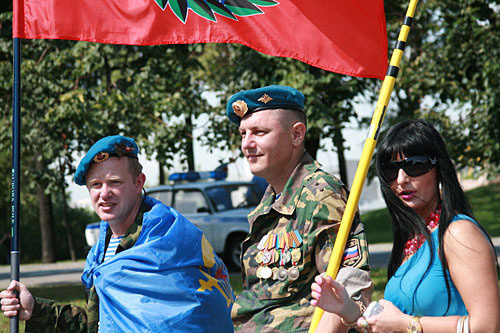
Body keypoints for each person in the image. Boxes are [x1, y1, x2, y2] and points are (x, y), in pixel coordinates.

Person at [0, 135, 234, 332]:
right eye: (95, 185)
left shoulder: (168, 240)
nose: (104, 193)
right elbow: (101, 324)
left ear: (138, 183)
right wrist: (35, 310)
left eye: (115, 182)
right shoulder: (100, 251)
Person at [310, 119, 500, 332]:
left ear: (439, 166)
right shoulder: (411, 239)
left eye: (414, 165)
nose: (401, 179)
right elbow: (391, 325)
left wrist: (406, 324)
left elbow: (488, 326)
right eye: (391, 170)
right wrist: (348, 310)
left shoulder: (459, 233)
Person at [226, 85, 373, 332]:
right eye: (243, 134)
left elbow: (341, 293)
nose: (247, 144)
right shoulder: (271, 199)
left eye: (260, 132)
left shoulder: (321, 195)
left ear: (296, 135)